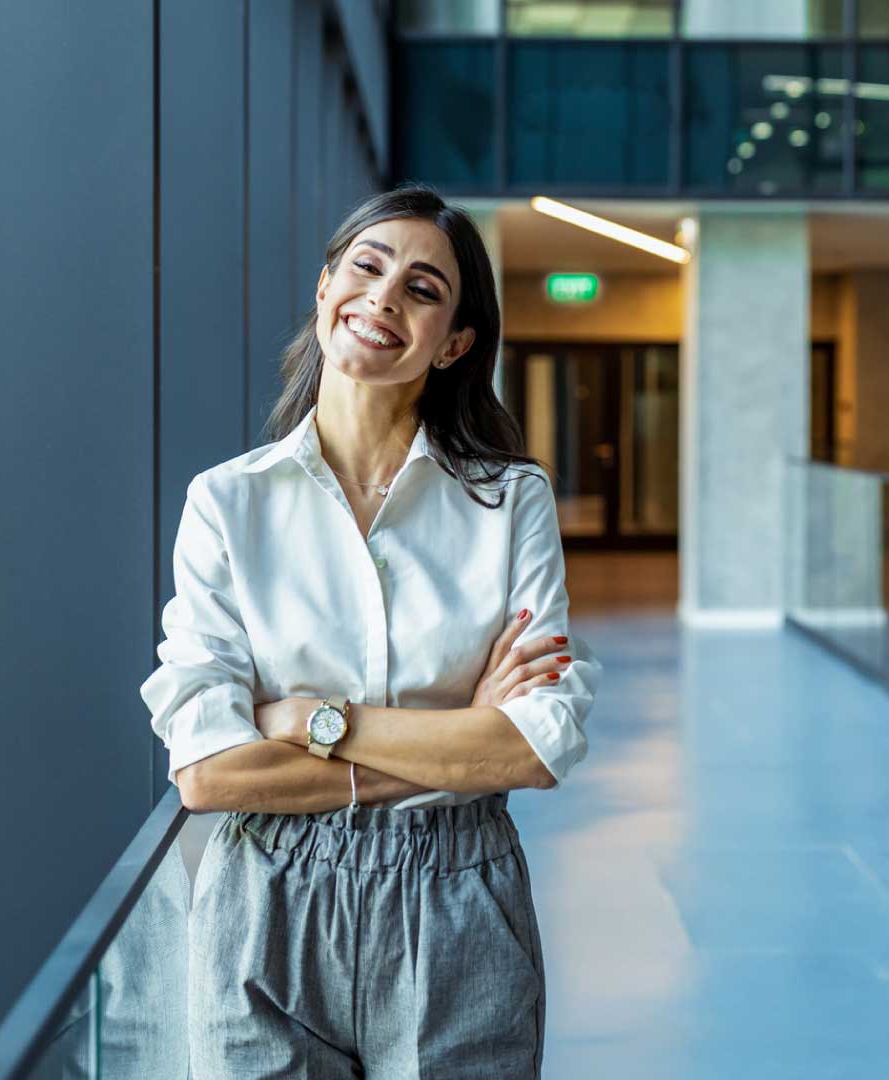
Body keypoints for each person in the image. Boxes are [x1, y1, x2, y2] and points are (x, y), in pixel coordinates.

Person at [139, 183, 602, 1078]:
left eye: (424, 290)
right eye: (367, 266)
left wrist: (312, 718)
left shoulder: (509, 504)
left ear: (455, 341)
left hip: (458, 901)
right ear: (324, 290)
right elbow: (206, 773)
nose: (385, 298)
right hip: (264, 906)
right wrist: (459, 738)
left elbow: (537, 750)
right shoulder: (227, 504)